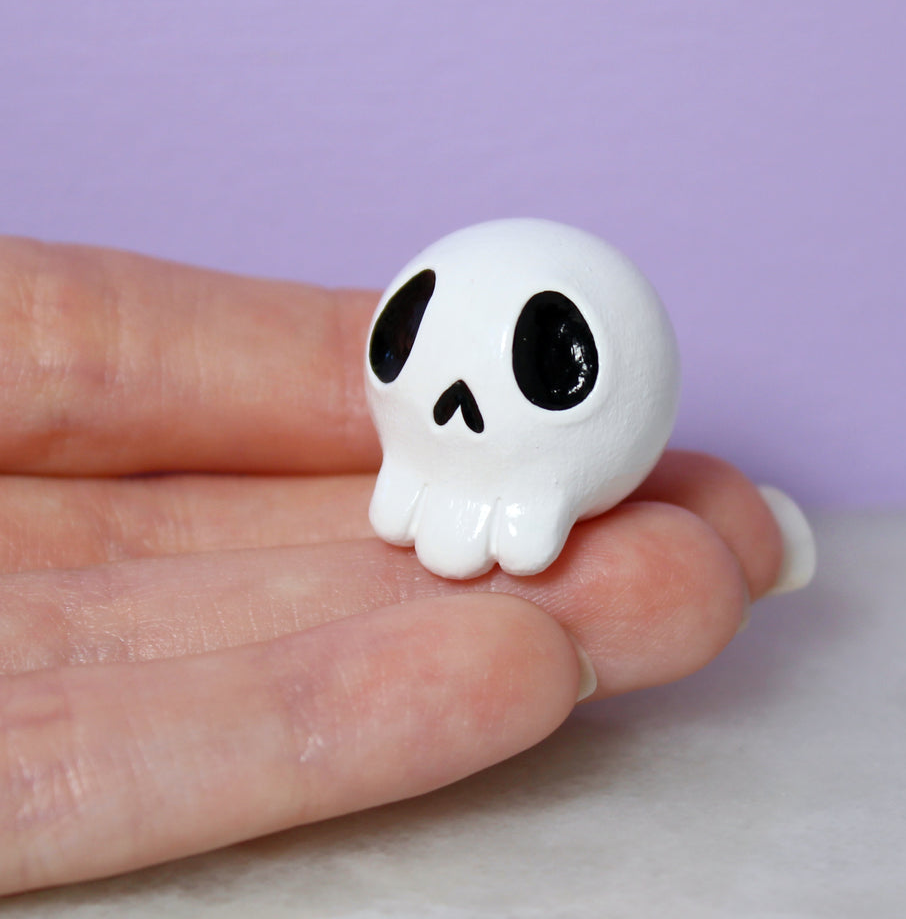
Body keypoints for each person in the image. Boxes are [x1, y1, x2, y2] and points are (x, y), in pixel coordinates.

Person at [0, 235, 814, 895]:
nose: (457, 399)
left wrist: (546, 483)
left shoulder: (587, 354)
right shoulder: (432, 393)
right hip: (425, 463)